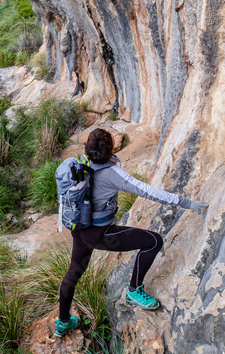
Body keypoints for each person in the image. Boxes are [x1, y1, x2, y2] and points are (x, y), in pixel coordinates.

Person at [55, 128, 208, 337]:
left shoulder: (81, 164)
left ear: (88, 150)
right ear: (111, 149)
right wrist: (186, 202)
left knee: (73, 274)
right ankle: (134, 291)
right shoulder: (113, 173)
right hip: (100, 234)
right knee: (153, 241)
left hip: (79, 229)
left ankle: (63, 322)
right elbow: (147, 191)